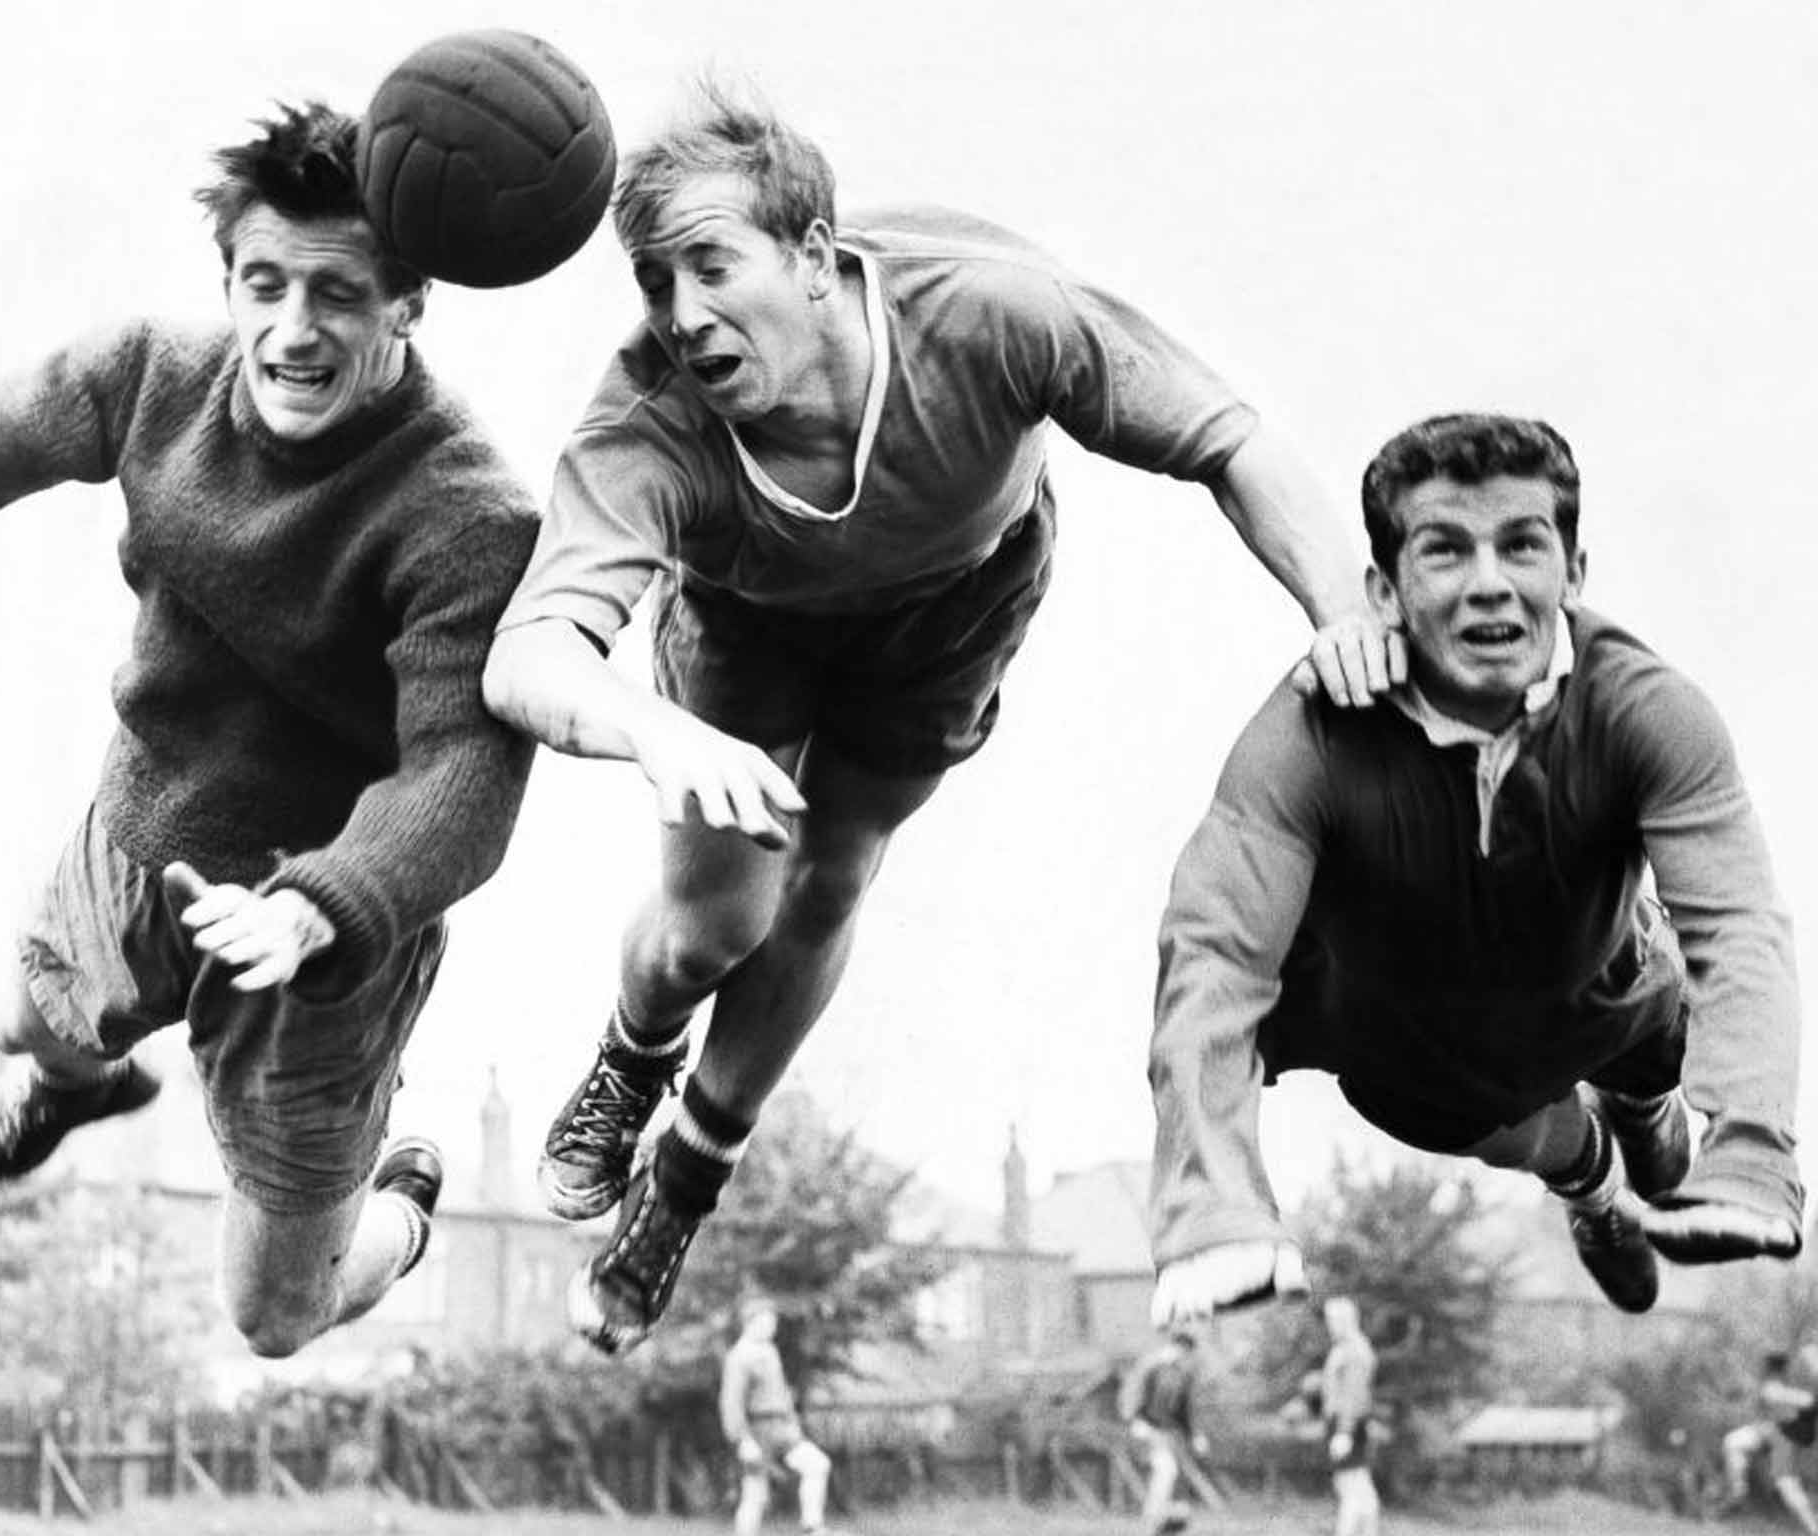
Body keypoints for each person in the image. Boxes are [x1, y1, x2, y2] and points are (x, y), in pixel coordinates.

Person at [481, 80, 1400, 1355]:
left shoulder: (988, 315)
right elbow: (528, 656)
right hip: (749, 623)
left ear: (811, 257)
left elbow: (1225, 439)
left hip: (953, 602)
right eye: (653, 282)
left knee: (829, 878)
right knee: (713, 923)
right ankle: (634, 1056)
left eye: (710, 266)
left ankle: (681, 1185)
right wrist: (657, 732)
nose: (683, 315)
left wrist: (1341, 613)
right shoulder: (650, 423)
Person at [0, 102, 540, 1358]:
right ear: (228, 284)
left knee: (274, 1316)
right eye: (266, 285)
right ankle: (91, 1085)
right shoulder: (151, 377)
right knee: (27, 1025)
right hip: (145, 830)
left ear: (407, 303)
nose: (293, 331)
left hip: (319, 925)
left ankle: (395, 1216)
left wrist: (319, 905)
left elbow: (462, 772)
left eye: (338, 294)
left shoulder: (463, 512)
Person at [1147, 412, 1803, 1326]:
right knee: (1558, 1148)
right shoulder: (1308, 736)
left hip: (1612, 1000)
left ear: (1574, 573)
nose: (1489, 585)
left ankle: (1651, 1121)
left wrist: (1755, 1148)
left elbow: (1738, 924)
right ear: (1381, 589)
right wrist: (1208, 1208)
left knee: (1664, 1075)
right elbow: (1214, 955)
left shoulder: (1648, 711)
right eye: (1447, 551)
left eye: (1522, 546)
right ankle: (1596, 1194)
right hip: (1425, 1063)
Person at [720, 1295, 834, 1536]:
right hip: (757, 1430)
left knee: (817, 1465)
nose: (772, 1327)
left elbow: (782, 1395)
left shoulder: (770, 1351)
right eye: (767, 1321)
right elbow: (731, 1404)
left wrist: (793, 1424)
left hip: (782, 1429)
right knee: (755, 1495)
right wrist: (742, 1441)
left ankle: (812, 1527)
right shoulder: (739, 1357)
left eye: (773, 1322)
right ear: (751, 1322)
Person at [1117, 1327, 1206, 1535]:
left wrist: (1195, 1435)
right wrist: (1134, 1420)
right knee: (1166, 1470)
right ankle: (1153, 1519)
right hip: (1146, 1429)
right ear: (1175, 1347)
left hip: (1170, 1434)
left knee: (1175, 1475)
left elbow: (1185, 1409)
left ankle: (1171, 1521)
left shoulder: (1184, 1375)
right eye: (1183, 1352)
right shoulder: (1151, 1366)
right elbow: (1132, 1392)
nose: (1185, 1357)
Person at [1722, 1350, 1818, 1534]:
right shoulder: (1777, 1385)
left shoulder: (1779, 1387)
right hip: (1772, 1435)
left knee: (1787, 1484)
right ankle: (1738, 1492)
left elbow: (1807, 1402)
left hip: (1784, 1440)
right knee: (1733, 1442)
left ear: (1769, 1368)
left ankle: (1814, 1529)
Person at [1321, 1297, 1380, 1536]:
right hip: (1344, 1424)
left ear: (1348, 1320)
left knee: (1352, 1489)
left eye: (1334, 1320)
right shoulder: (1346, 1348)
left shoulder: (1355, 1350)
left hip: (1348, 1425)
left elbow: (1354, 1394)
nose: (1330, 1325)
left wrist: (1344, 1432)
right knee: (1359, 1489)